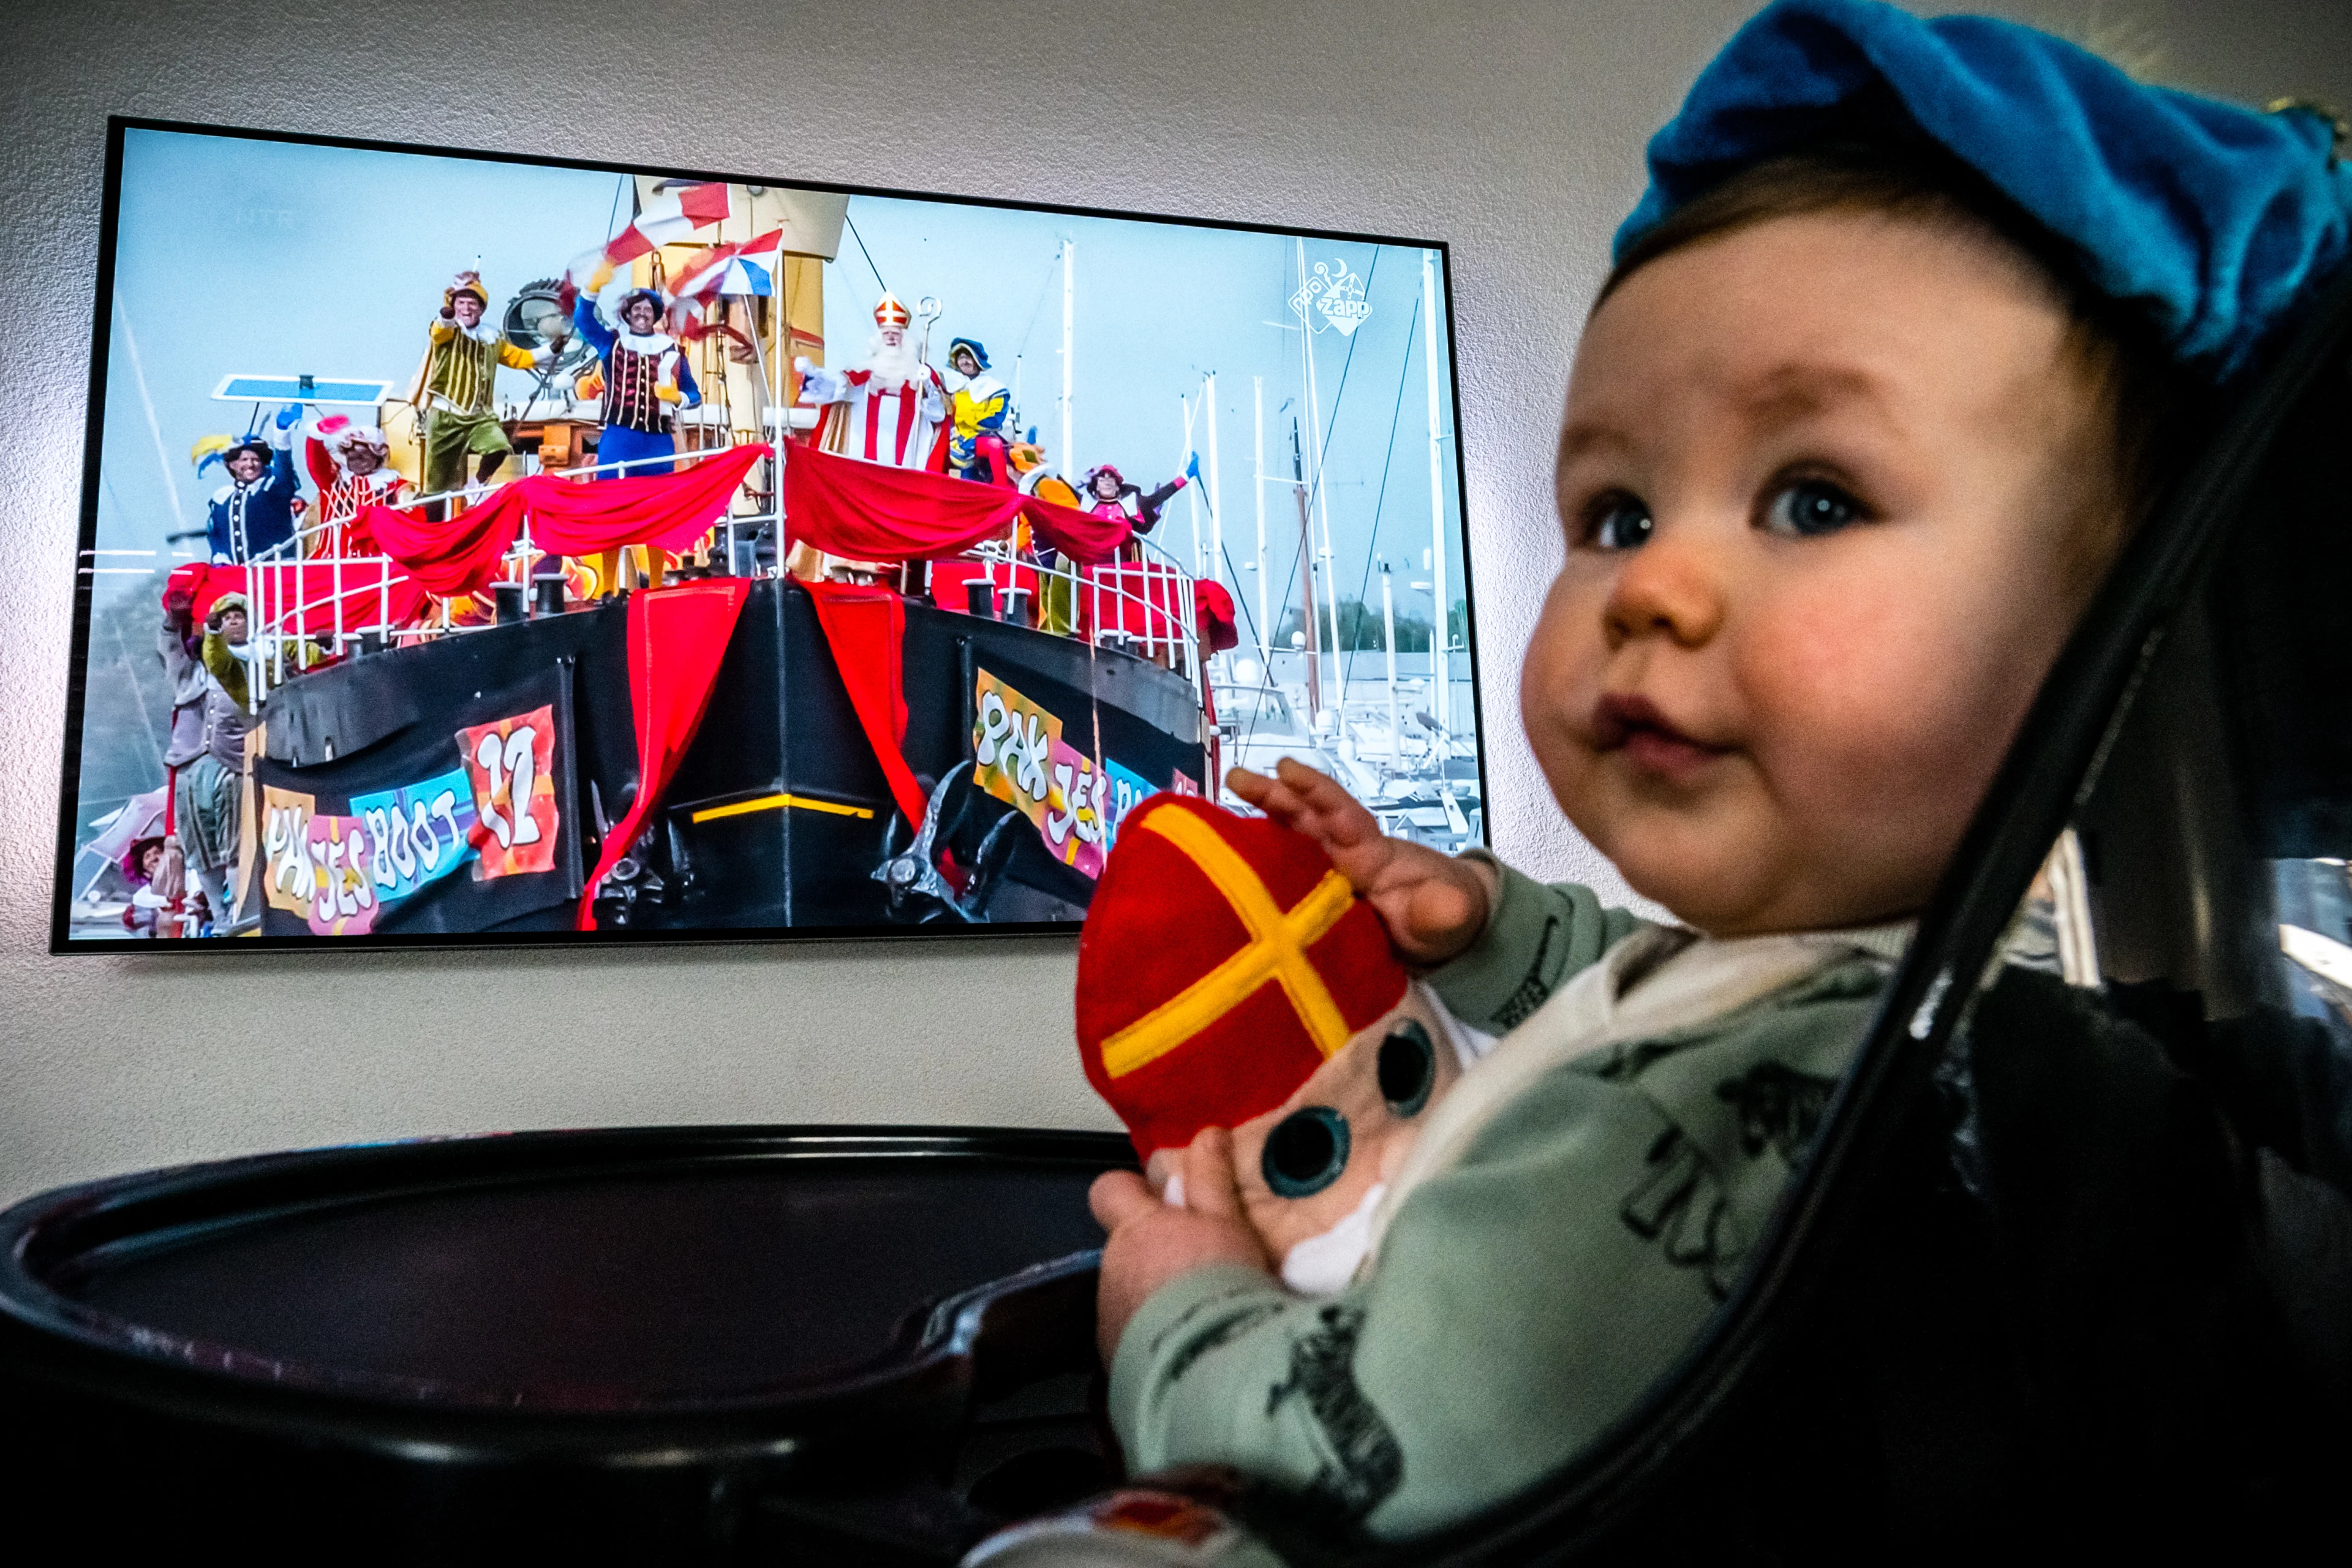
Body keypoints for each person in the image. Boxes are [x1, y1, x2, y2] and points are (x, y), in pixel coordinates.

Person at [1080, 0, 2348, 1539]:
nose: (1650, 583)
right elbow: (1690, 989)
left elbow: (1376, 1454)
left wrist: (1183, 1309)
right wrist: (1493, 925)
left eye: (1811, 499)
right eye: (1613, 510)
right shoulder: (1897, 1000)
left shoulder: (1702, 1126)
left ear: (2121, 642)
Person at [412, 270, 549, 502]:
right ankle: (433, 531)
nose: (466, 309)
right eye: (461, 303)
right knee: (436, 487)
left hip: (479, 416)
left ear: (482, 308)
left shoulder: (491, 337)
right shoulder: (448, 330)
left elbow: (519, 358)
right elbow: (439, 330)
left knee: (499, 446)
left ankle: (478, 482)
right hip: (446, 414)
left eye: (472, 303)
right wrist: (447, 313)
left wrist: (552, 349)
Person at [168, 591, 257, 930]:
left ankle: (237, 913)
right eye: (225, 617)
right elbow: (170, 646)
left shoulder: (257, 665)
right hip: (192, 769)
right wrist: (174, 619)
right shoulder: (188, 674)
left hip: (232, 764)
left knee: (233, 844)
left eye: (240, 616)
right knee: (199, 849)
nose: (233, 621)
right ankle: (219, 917)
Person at [793, 294, 949, 471]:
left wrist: (929, 386)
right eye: (886, 334)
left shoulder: (921, 376)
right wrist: (815, 379)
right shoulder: (864, 374)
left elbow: (939, 416)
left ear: (905, 338)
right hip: (865, 457)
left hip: (910, 461)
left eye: (896, 334)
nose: (891, 339)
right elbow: (837, 390)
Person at [569, 273, 699, 481]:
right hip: (619, 437)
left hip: (659, 441)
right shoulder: (611, 342)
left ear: (655, 315)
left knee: (657, 496)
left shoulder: (673, 350)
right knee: (612, 494)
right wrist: (591, 290)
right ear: (627, 314)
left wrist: (678, 398)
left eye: (648, 309)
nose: (642, 313)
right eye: (637, 309)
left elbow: (694, 395)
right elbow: (583, 320)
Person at [198, 404, 302, 564]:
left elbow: (284, 471)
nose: (251, 464)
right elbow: (217, 535)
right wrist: (220, 558)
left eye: (256, 460)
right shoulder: (222, 498)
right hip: (237, 575)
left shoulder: (271, 489)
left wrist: (282, 433)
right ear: (232, 465)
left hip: (277, 572)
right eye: (244, 460)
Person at [301, 415, 409, 557]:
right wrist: (318, 434)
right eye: (351, 454)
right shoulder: (334, 480)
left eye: (363, 454)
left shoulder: (394, 486)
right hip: (331, 562)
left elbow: (412, 515)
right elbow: (316, 463)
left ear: (378, 456)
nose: (356, 458)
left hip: (377, 563)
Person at [943, 336, 1009, 482]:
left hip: (980, 437)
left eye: (968, 357)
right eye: (961, 358)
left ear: (977, 361)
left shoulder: (994, 389)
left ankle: (1001, 488)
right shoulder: (950, 387)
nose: (964, 362)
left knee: (995, 446)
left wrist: (968, 420)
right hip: (953, 438)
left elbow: (995, 419)